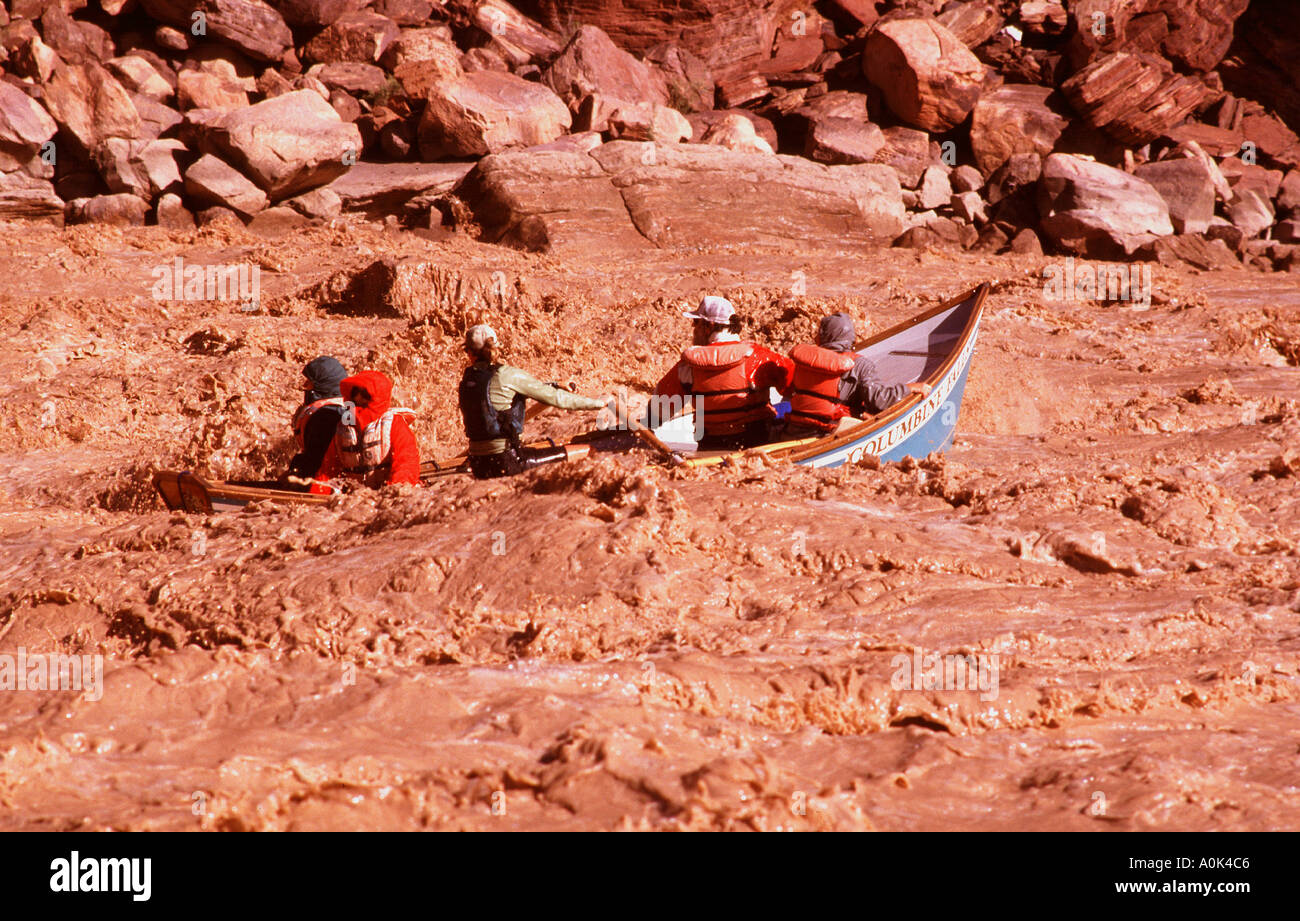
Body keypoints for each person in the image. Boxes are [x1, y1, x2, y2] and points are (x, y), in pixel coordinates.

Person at [458, 324, 611, 479]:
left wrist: (555, 384)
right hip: (508, 462)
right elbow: (559, 400)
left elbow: (504, 392)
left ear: (469, 352)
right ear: (496, 348)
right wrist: (599, 404)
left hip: (478, 464)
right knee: (587, 451)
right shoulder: (508, 375)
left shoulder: (467, 381)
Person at [653, 295, 794, 451]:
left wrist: (643, 427)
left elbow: (659, 410)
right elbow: (795, 385)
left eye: (695, 322)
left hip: (710, 444)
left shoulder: (687, 366)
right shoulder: (759, 357)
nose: (693, 329)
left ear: (709, 326)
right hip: (758, 442)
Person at [783, 312, 931, 437]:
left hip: (793, 429)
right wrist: (910, 388)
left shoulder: (804, 361)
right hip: (829, 432)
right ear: (851, 338)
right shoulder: (860, 365)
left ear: (821, 338)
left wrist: (860, 414)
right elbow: (880, 401)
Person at [310, 369, 420, 492]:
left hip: (387, 493)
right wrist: (318, 493)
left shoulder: (394, 424)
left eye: (365, 394)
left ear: (377, 397)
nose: (357, 397)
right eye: (355, 392)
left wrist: (393, 493)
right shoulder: (343, 428)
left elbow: (406, 463)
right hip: (356, 497)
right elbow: (328, 470)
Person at [286, 356, 348, 484]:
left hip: (325, 481)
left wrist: (298, 477)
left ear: (323, 386)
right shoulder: (342, 407)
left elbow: (317, 458)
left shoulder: (325, 416)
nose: (304, 386)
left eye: (309, 382)